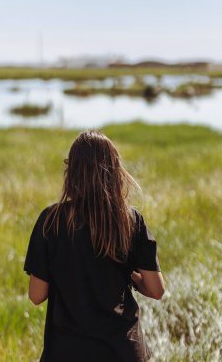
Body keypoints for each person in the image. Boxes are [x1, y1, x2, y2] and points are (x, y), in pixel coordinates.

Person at [23, 129, 165, 362]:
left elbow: (37, 295)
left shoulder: (51, 220)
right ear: (115, 170)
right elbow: (156, 290)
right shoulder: (131, 219)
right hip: (123, 351)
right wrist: (130, 276)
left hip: (67, 352)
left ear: (72, 172)